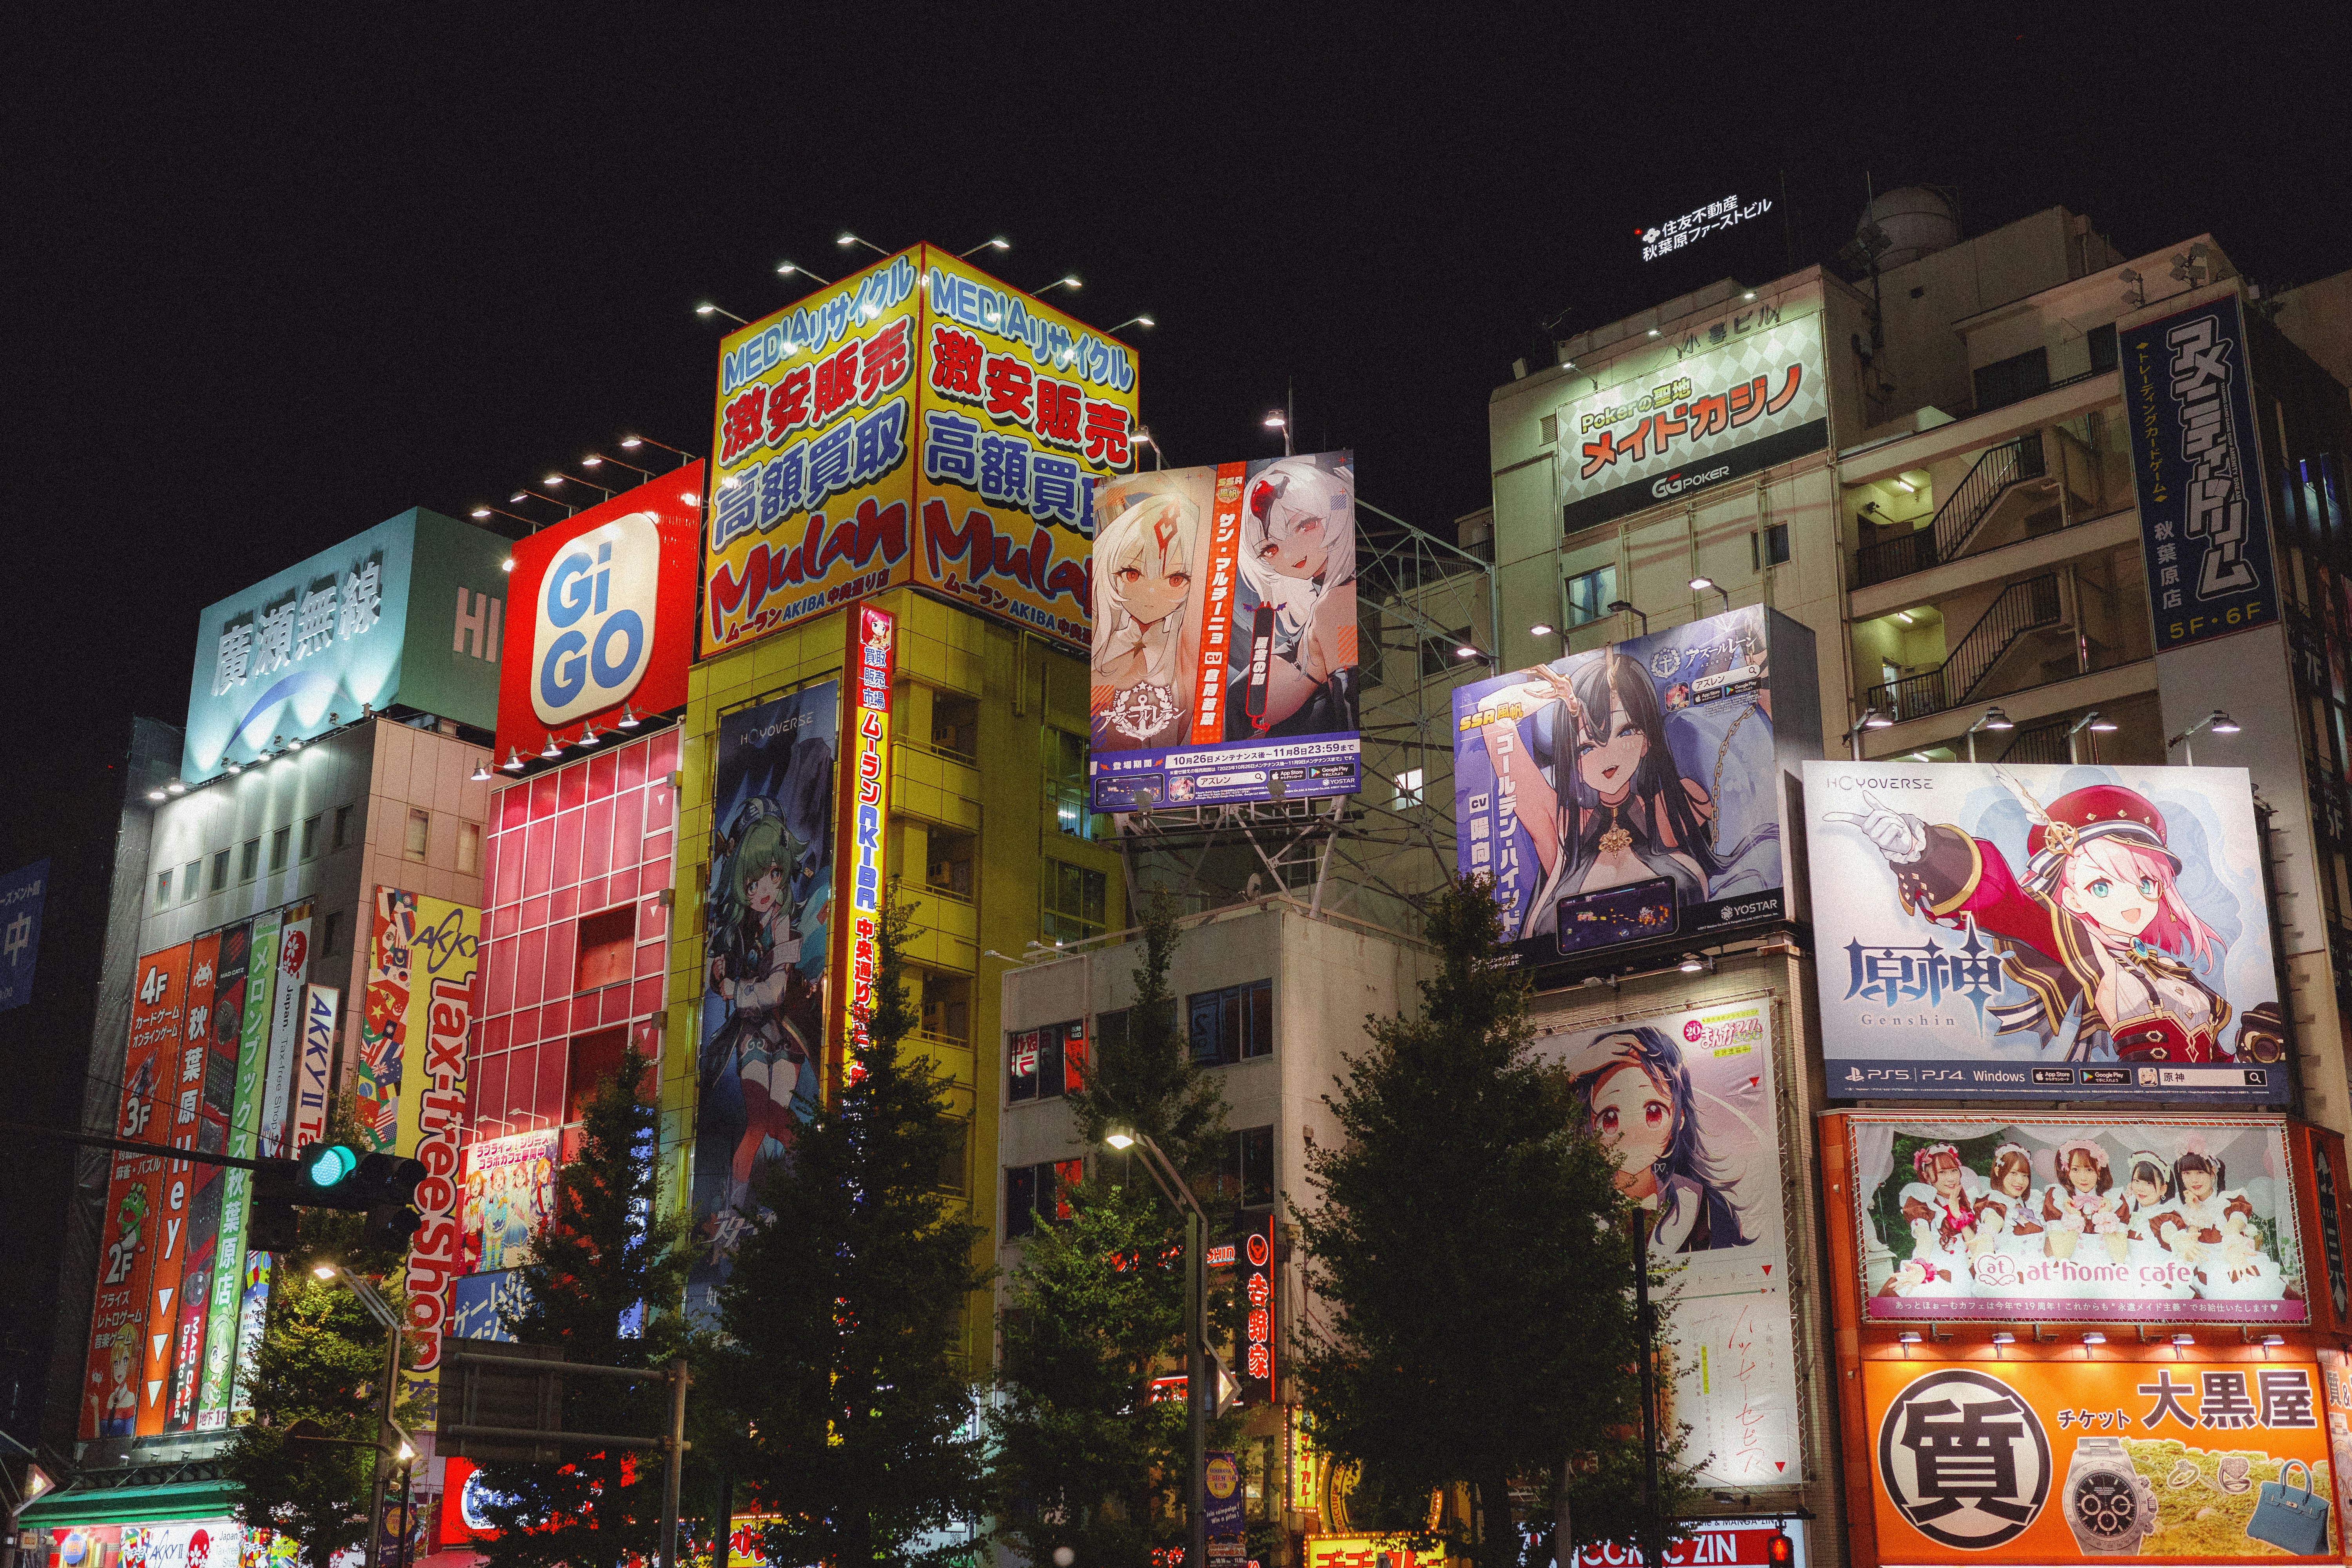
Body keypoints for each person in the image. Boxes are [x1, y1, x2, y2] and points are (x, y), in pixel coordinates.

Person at [1826, 771, 2286, 1063]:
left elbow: (2215, 1066)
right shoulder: (2083, 947)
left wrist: (2254, 1056)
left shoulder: (2172, 970)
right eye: (2102, 885)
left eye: (2148, 884)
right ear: (2069, 894)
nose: (2135, 901)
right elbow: (2005, 901)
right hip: (2135, 1103)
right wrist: (1922, 848)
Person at [1481, 650, 1743, 940]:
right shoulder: (1562, 828)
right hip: (1566, 981)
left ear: (1647, 741)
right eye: (1587, 746)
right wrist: (1557, 692)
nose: (1608, 754)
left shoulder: (1676, 805)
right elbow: (1490, 711)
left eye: (1626, 732)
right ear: (1573, 761)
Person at [706, 799, 824, 1211]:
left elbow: (775, 990)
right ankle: (737, 1212)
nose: (765, 888)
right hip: (753, 1035)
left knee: (778, 1120)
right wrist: (720, 975)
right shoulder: (734, 928)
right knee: (760, 1122)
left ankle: (794, 1196)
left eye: (775, 874)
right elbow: (716, 968)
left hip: (785, 1032)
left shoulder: (786, 928)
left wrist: (734, 991)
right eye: (755, 879)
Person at [1564, 1026, 1749, 1255]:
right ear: (1590, 1126)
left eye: (1654, 1112)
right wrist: (1571, 1073)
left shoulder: (1708, 1209)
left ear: (1678, 1120)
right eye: (1610, 1118)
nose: (1632, 1132)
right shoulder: (1573, 1214)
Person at [1228, 457, 1358, 739]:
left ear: (1334, 512)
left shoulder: (1338, 603)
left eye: (1305, 525)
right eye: (1271, 549)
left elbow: (1350, 704)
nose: (1290, 554)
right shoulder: (1329, 602)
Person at [1091, 492, 1200, 750]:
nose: (1151, 595)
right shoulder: (1102, 636)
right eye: (1133, 573)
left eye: (1176, 579)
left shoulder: (1188, 646)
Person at [2152, 1138, 2287, 1299]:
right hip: (2195, 1266)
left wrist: (2234, 1246)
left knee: (2247, 1285)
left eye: (2200, 1172)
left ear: (2213, 1172)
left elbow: (2234, 1225)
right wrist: (2178, 1239)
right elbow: (2167, 1228)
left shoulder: (2228, 1200)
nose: (2194, 1180)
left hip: (2229, 1259)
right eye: (2187, 1173)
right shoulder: (2179, 1207)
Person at [2042, 1140, 2129, 1265]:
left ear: (2099, 1171)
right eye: (2076, 1170)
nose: (2083, 1177)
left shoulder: (2115, 1200)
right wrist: (2075, 1216)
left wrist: (2105, 1217)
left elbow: (2119, 1258)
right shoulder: (2058, 1198)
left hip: (2106, 1275)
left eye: (2089, 1170)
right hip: (2071, 1275)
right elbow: (2061, 1255)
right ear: (2067, 1171)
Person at [1973, 1142, 2047, 1263]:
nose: (2020, 1181)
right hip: (2008, 1277)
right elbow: (1994, 1220)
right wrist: (1986, 1238)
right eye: (2013, 1173)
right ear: (1998, 1171)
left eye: (2025, 1175)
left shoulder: (2033, 1203)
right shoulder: (1991, 1202)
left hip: (2038, 1275)